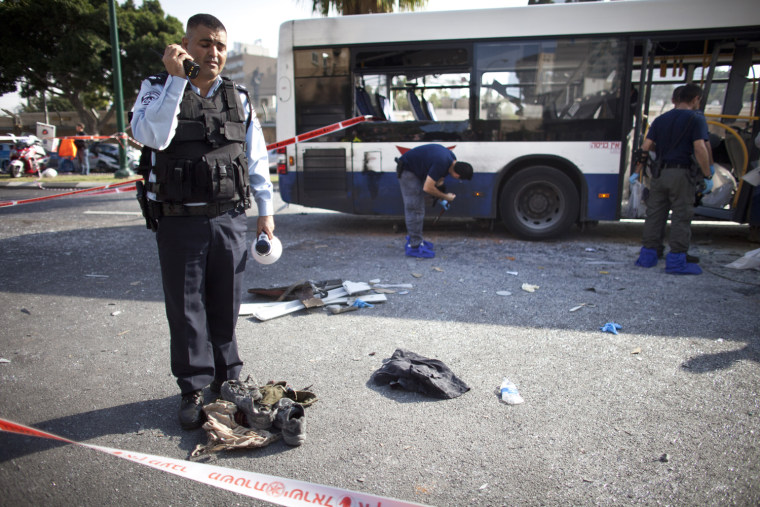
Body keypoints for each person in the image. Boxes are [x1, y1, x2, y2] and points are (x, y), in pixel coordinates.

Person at [130, 13, 274, 429]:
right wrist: (177, 81)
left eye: (220, 46)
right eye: (204, 43)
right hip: (179, 222)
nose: (213, 53)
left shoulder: (240, 96)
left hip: (229, 218)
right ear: (185, 45)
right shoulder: (156, 89)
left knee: (226, 304)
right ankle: (193, 387)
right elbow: (152, 137)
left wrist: (266, 213)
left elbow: (256, 158)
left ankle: (227, 379)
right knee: (187, 309)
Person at [630, 83, 712, 275]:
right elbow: (700, 148)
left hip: (659, 174)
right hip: (681, 174)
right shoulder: (696, 119)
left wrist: (637, 171)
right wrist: (708, 174)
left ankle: (647, 257)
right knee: (681, 217)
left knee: (655, 215)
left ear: (676, 99)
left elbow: (645, 148)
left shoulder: (660, 120)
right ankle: (676, 262)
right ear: (695, 99)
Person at [395, 144, 473, 258]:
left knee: (419, 206)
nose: (458, 180)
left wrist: (441, 197)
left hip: (416, 169)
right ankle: (414, 247)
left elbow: (438, 181)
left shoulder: (452, 160)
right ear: (457, 174)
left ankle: (415, 238)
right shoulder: (442, 163)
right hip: (408, 170)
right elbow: (427, 188)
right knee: (415, 208)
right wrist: (446, 197)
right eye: (460, 179)